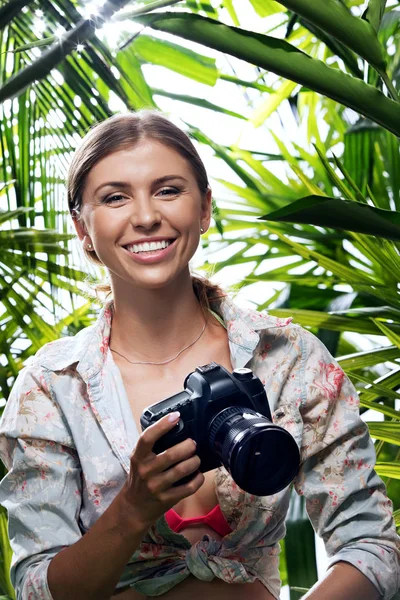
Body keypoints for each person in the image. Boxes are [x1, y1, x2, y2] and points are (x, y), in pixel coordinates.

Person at [0, 111, 399, 600]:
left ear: (205, 209)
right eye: (115, 197)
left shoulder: (287, 360)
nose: (146, 215)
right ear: (83, 230)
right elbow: (37, 588)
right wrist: (132, 509)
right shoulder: (53, 386)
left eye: (168, 190)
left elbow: (371, 546)